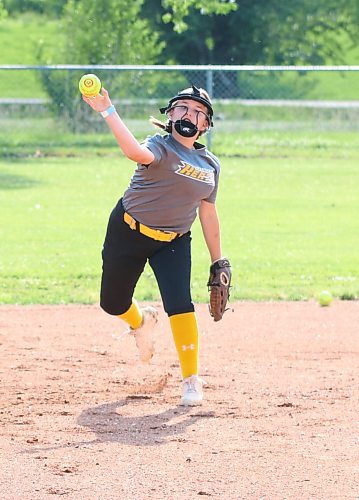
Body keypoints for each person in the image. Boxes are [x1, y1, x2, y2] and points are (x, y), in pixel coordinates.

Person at [82, 83, 225, 406]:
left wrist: (218, 260)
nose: (190, 115)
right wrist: (107, 110)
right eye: (183, 108)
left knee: (181, 305)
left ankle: (191, 379)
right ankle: (141, 323)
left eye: (199, 112)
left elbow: (208, 213)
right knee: (112, 303)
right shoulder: (160, 146)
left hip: (174, 241)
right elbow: (135, 152)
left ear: (206, 125)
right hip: (128, 230)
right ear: (170, 115)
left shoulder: (210, 165)